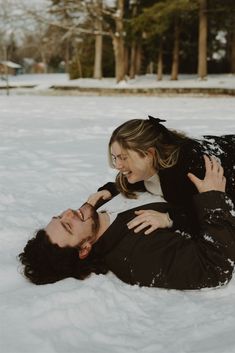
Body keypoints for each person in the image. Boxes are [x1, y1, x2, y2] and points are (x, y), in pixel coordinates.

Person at [19, 156, 235, 290]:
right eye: (68, 225)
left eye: (59, 216)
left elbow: (141, 190)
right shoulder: (136, 255)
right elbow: (214, 268)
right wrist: (214, 198)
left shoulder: (94, 213)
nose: (68, 213)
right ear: (84, 249)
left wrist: (111, 189)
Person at [90, 116, 235, 236]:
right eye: (115, 157)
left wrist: (169, 218)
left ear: (150, 154)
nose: (118, 166)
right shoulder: (146, 167)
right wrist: (111, 190)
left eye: (124, 157)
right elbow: (132, 182)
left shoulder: (187, 173)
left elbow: (208, 216)